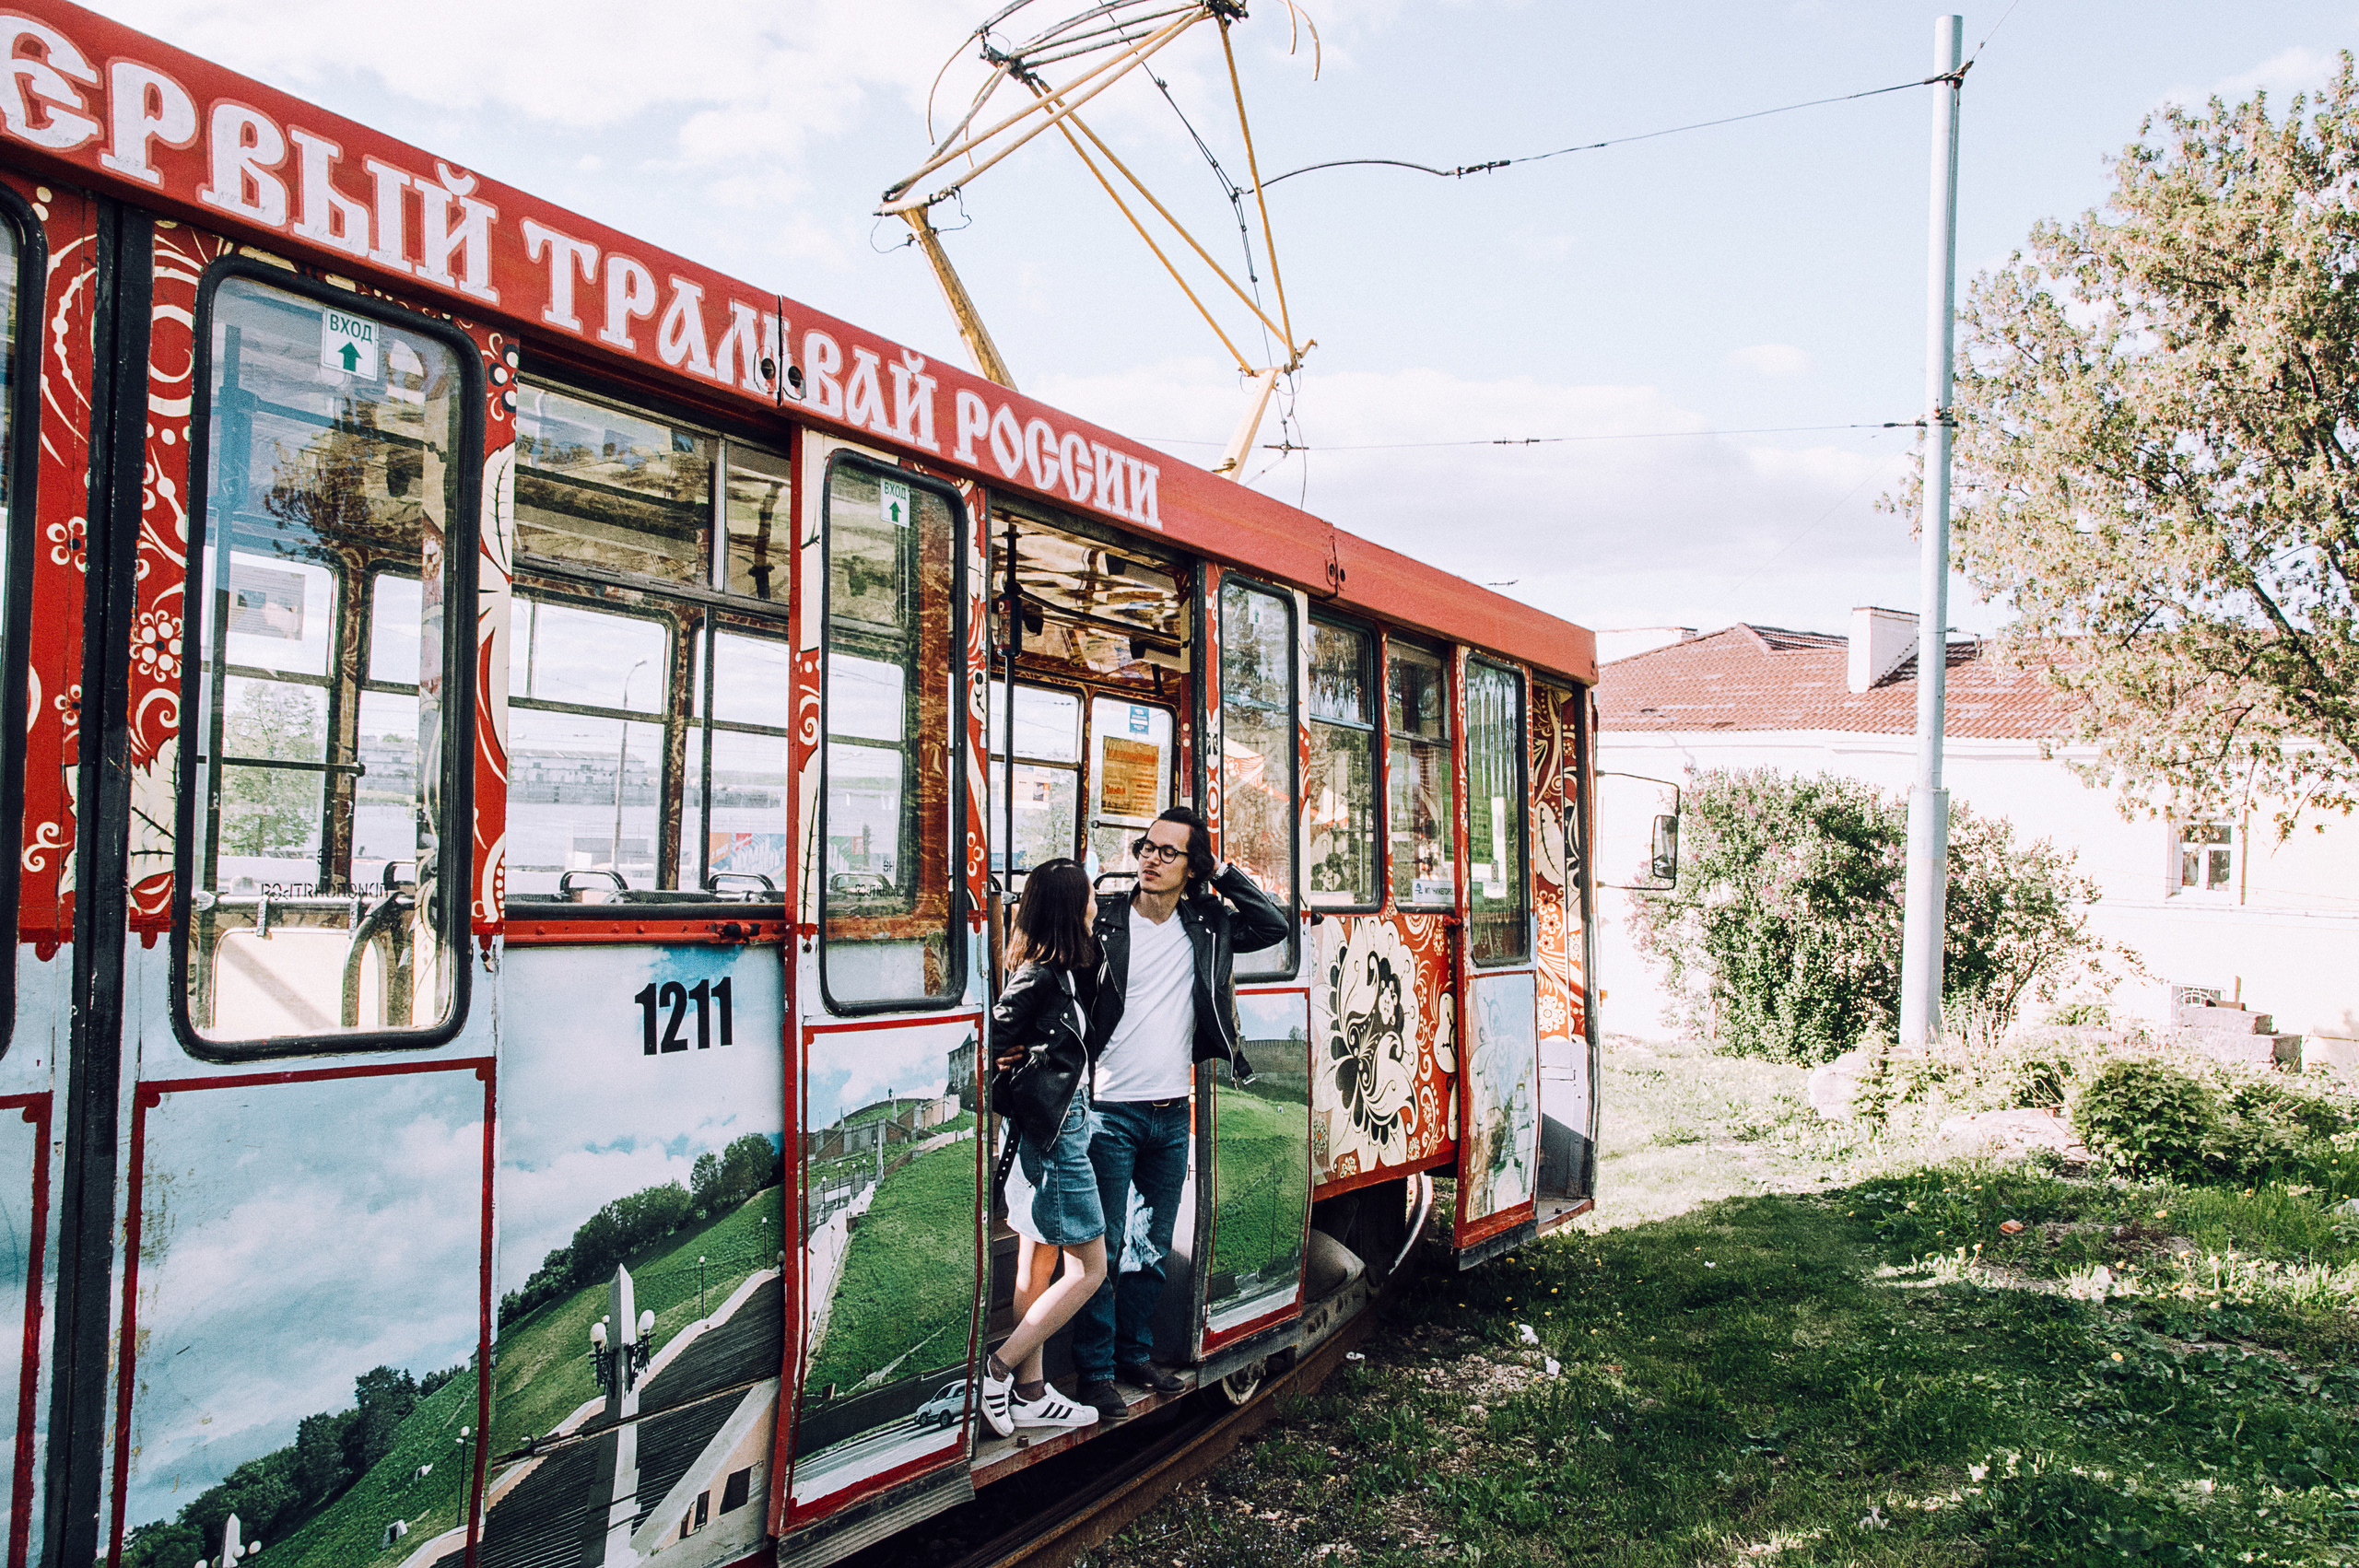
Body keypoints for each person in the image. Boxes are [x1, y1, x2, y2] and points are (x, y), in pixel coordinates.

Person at [1071, 806, 1289, 1424]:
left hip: (1171, 1111)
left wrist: (1220, 869)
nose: (1151, 858)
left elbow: (1273, 924)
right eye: (1147, 846)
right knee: (1104, 1251)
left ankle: (1133, 1355)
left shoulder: (1209, 922)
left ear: (1192, 868)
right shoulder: (1105, 918)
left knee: (1150, 1247)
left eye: (1169, 852)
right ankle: (1094, 1373)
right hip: (1108, 1111)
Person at [979, 859, 1108, 1435]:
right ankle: (998, 1370)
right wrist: (1019, 1065)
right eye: (1089, 896)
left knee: (1038, 1263)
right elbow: (990, 1047)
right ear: (1068, 908)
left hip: (1051, 1127)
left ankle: (1031, 1392)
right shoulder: (1039, 977)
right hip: (1055, 1134)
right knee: (1091, 1270)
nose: (1097, 905)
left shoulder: (1062, 970)